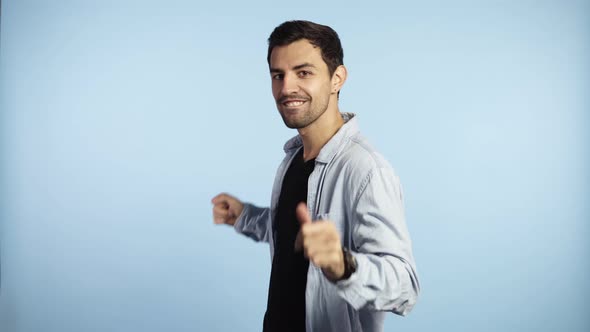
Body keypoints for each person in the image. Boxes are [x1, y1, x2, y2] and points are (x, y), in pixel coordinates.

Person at [211, 20, 420, 332]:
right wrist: (244, 216)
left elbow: (404, 287)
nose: (286, 88)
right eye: (277, 75)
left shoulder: (365, 169)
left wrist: (341, 264)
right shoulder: (293, 158)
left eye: (303, 72)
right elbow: (293, 234)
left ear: (337, 79)